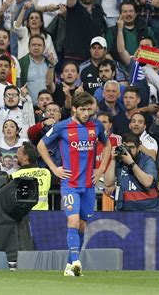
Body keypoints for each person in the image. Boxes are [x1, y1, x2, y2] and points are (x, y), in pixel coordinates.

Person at [37, 92, 111, 277]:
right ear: (74, 109)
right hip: (69, 183)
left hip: (88, 184)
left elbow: (108, 145)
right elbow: (40, 145)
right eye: (83, 109)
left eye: (89, 109)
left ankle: (70, 267)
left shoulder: (97, 126)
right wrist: (54, 168)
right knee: (73, 220)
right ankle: (77, 260)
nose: (87, 113)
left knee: (83, 225)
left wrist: (101, 169)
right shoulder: (62, 127)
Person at [104, 132, 159, 212]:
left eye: (131, 147)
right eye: (125, 147)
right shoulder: (120, 159)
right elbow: (108, 183)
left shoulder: (147, 160)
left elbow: (147, 182)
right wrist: (113, 160)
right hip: (125, 210)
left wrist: (131, 163)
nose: (128, 150)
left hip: (148, 210)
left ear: (139, 148)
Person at [11, 141, 51, 210]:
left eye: (19, 153)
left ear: (25, 157)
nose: (16, 156)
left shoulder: (15, 176)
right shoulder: (46, 173)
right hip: (44, 216)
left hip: (24, 216)